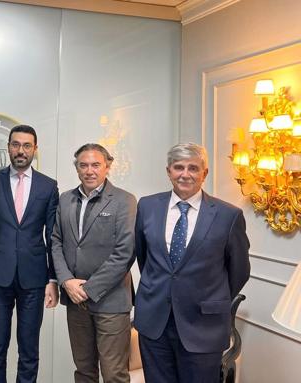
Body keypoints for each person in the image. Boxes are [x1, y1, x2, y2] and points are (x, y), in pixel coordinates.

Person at [134, 142, 250, 383]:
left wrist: (209, 296)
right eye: (178, 167)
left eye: (193, 168)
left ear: (204, 173)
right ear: (168, 171)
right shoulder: (147, 206)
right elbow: (144, 258)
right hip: (155, 322)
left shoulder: (228, 215)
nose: (185, 174)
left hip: (203, 325)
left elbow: (239, 271)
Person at [0, 124, 59, 383]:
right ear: (9, 147)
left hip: (34, 279)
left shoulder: (48, 186)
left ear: (35, 149)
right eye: (15, 145)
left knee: (29, 351)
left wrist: (53, 279)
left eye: (26, 145)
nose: (20, 150)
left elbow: (53, 236)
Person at [52, 143, 136, 383]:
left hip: (111, 302)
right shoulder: (65, 199)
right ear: (77, 168)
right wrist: (67, 281)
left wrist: (88, 289)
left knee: (114, 374)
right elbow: (56, 242)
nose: (89, 170)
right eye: (83, 165)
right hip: (75, 302)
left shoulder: (124, 201)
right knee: (84, 371)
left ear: (107, 166)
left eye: (96, 165)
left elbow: (125, 253)